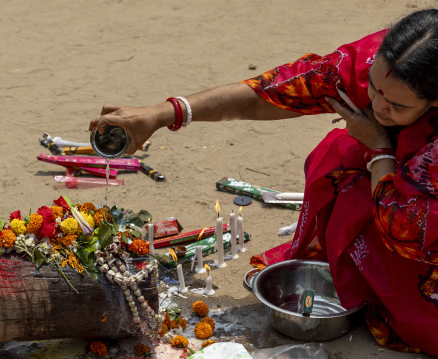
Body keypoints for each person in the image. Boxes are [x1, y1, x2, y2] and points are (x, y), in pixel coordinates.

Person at [89, 9, 438, 355]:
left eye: (395, 105)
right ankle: (358, 276)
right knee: (340, 162)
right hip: (398, 190)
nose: (376, 104)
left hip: (422, 236)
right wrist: (162, 114)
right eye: (374, 88)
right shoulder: (370, 64)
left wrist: (379, 148)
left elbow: (405, 229)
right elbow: (274, 91)